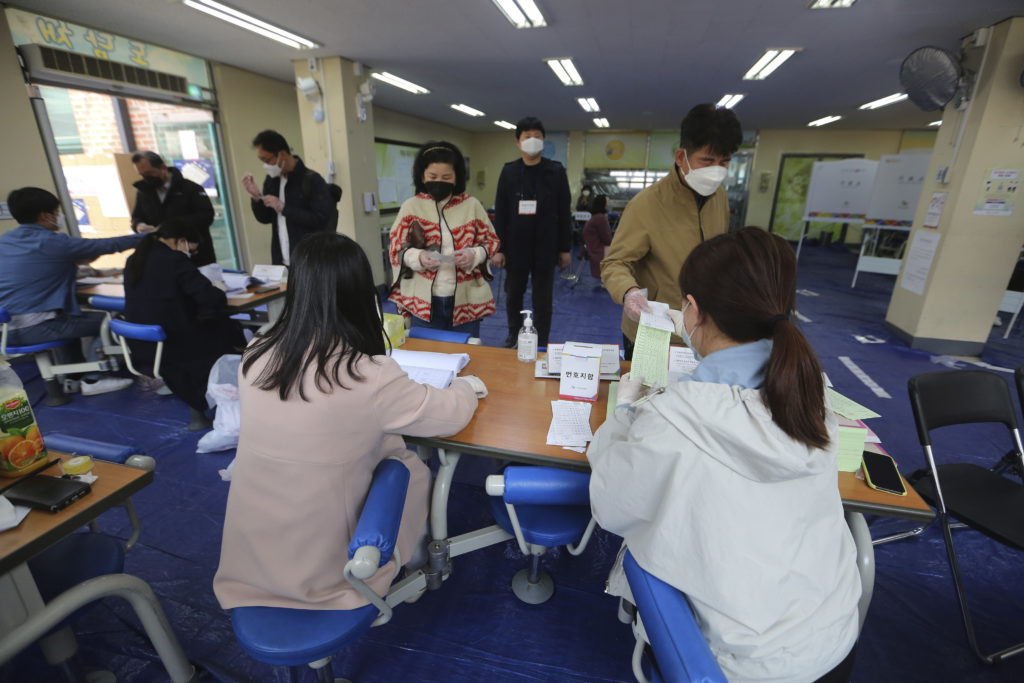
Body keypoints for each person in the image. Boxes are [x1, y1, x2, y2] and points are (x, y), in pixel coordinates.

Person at [587, 227, 861, 683]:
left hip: (738, 665)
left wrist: (626, 416)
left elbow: (611, 506)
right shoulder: (811, 391)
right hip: (833, 642)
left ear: (691, 311)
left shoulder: (677, 416)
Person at [214, 232, 485, 610]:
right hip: (328, 575)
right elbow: (449, 415)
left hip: (253, 560)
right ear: (362, 295)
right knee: (408, 464)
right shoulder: (366, 374)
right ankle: (418, 560)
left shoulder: (256, 353)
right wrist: (467, 387)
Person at [601, 103, 741, 359]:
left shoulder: (719, 197)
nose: (717, 170)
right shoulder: (647, 204)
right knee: (646, 396)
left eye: (724, 162)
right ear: (681, 158)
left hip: (706, 328)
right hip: (656, 328)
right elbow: (614, 263)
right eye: (707, 160)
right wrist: (629, 292)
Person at [0, 187, 142, 395]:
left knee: (67, 316)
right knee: (112, 319)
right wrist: (152, 236)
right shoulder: (52, 242)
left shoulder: (6, 241)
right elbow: (109, 244)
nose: (59, 217)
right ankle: (92, 379)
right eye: (56, 213)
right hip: (33, 328)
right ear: (44, 215)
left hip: (5, 330)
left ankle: (73, 379)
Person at [123, 217, 245, 428]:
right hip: (174, 345)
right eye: (191, 249)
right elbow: (210, 298)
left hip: (143, 345)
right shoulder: (174, 260)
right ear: (181, 241)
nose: (190, 253)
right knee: (229, 330)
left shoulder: (135, 259)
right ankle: (236, 401)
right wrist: (218, 288)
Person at [388, 141, 499, 338]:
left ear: (457, 178)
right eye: (432, 176)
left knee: (467, 354)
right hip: (424, 301)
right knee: (429, 357)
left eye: (446, 177)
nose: (439, 181)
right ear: (422, 177)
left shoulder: (471, 205)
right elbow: (395, 248)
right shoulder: (411, 207)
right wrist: (419, 257)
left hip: (465, 299)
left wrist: (474, 254)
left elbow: (491, 241)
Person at [491, 116, 572, 348]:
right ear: (518, 142)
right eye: (528, 137)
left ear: (544, 140)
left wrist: (565, 249)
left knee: (542, 300)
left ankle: (542, 341)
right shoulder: (509, 172)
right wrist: (499, 248)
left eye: (537, 136)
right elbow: (502, 212)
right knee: (513, 295)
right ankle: (513, 334)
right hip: (516, 247)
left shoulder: (555, 171)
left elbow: (564, 212)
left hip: (546, 246)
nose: (533, 140)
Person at [240, 129, 334, 267]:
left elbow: (320, 220)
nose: (265, 166)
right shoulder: (272, 180)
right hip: (281, 261)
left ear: (282, 154)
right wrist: (256, 197)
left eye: (267, 160)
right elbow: (265, 218)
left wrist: (284, 208)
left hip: (311, 261)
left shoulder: (312, 180)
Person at [130, 151, 216, 266]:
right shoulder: (143, 192)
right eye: (143, 175)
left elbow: (206, 216)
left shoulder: (190, 189)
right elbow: (136, 217)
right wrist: (138, 225)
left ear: (163, 168)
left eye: (150, 173)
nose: (147, 178)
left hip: (195, 256)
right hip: (162, 256)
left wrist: (173, 225)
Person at [581, 195, 612, 281]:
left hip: (592, 245)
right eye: (608, 202)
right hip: (597, 247)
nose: (609, 204)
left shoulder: (596, 217)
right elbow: (606, 238)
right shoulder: (601, 218)